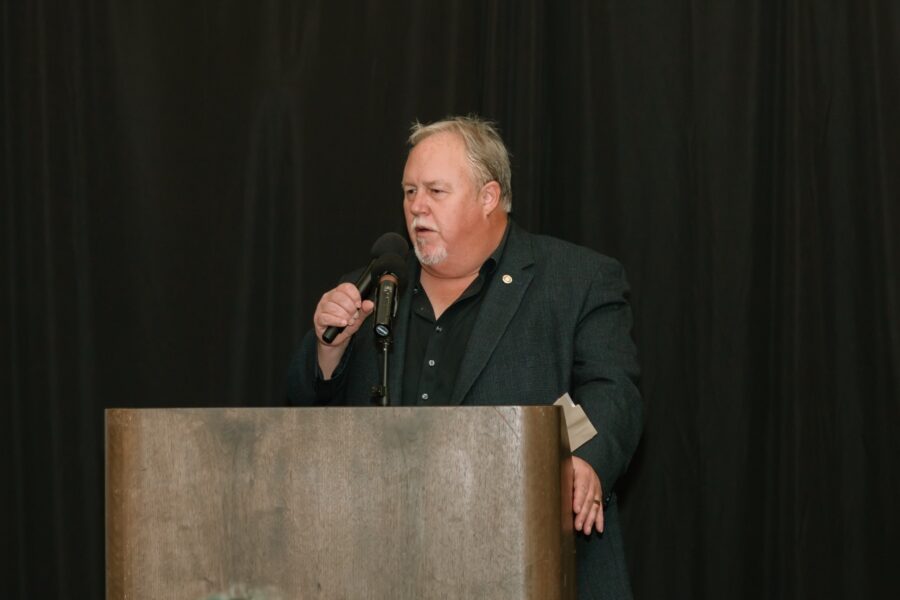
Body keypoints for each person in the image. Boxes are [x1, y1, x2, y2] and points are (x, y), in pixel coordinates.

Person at [287, 115, 643, 599]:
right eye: (410, 192)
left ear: (488, 197)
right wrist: (328, 351)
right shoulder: (374, 291)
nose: (417, 209)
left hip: (533, 564)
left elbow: (614, 391)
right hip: (387, 567)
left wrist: (589, 463)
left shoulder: (575, 280)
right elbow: (307, 418)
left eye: (435, 191)